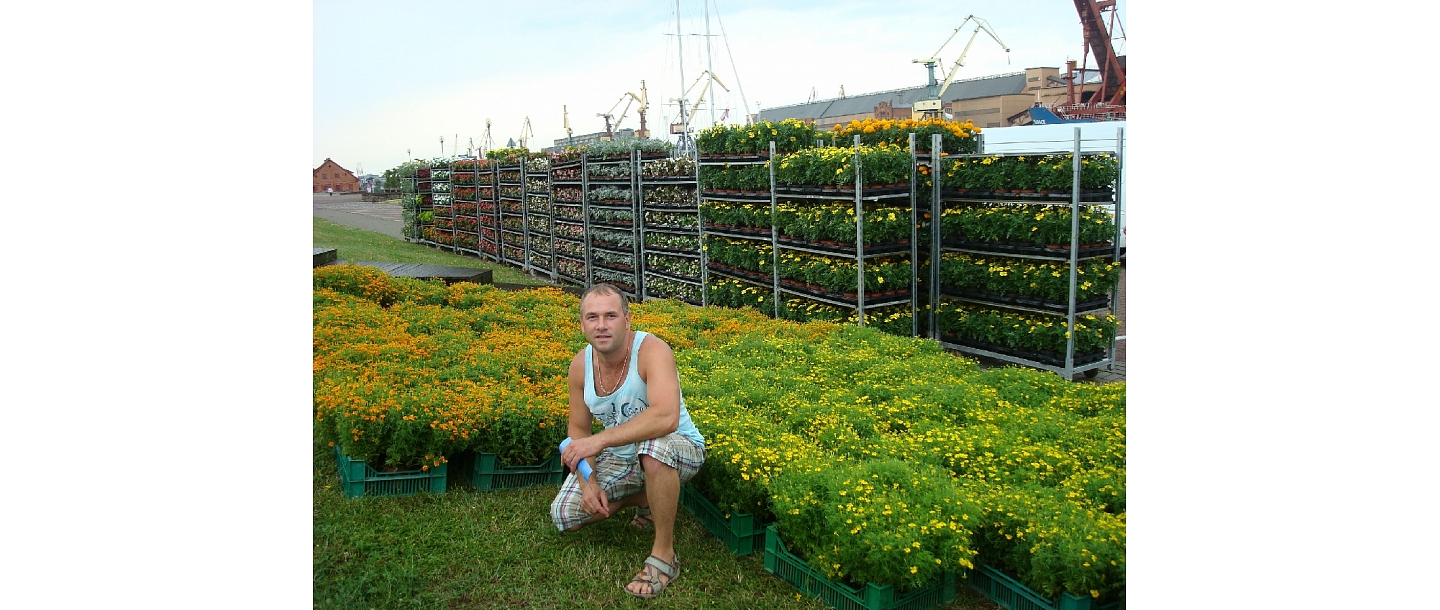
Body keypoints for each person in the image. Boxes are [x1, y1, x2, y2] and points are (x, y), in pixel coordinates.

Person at [553, 283, 706, 599]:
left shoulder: (652, 351)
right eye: (592, 317)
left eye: (610, 316)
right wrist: (588, 482)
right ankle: (644, 499)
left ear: (627, 319)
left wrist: (600, 442)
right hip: (621, 456)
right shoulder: (580, 366)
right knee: (565, 515)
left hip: (678, 447)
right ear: (582, 325)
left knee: (653, 447)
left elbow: (666, 417)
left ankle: (664, 555)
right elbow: (579, 430)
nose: (602, 325)